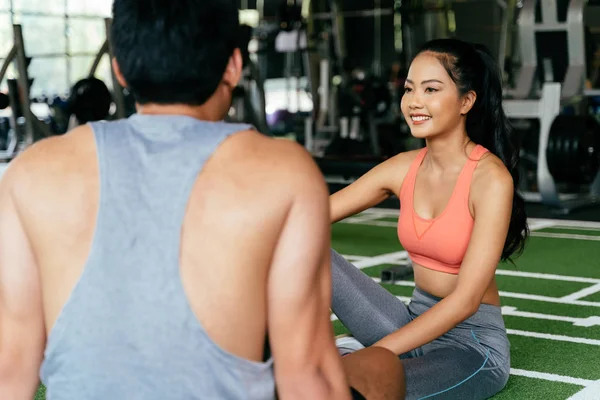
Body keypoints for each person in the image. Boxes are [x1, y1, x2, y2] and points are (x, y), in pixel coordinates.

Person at [0, 1, 405, 399]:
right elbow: (309, 377)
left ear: (119, 69)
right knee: (381, 368)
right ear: (233, 65)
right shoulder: (283, 171)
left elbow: (11, 372)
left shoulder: (31, 171)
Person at [329, 38, 530, 399]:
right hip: (410, 321)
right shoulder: (403, 167)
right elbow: (310, 217)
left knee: (362, 388)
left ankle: (354, 356)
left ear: (467, 101)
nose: (414, 102)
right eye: (409, 89)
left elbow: (466, 301)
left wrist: (379, 352)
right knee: (300, 243)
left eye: (431, 89)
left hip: (469, 344)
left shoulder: (490, 179)